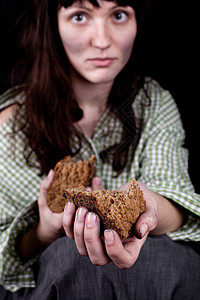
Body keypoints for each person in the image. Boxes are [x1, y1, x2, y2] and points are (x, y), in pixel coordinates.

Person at [0, 0, 200, 299]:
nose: (103, 40)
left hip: (155, 282)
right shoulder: (11, 124)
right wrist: (45, 230)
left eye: (118, 15)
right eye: (79, 16)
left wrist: (151, 208)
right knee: (72, 260)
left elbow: (180, 201)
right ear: (52, 26)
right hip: (49, 287)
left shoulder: (154, 103)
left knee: (171, 259)